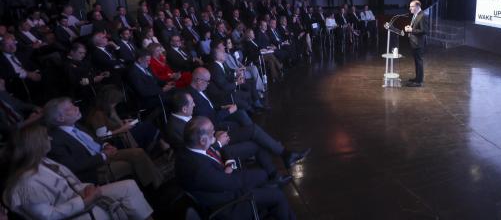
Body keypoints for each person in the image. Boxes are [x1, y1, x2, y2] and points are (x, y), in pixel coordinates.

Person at [3, 124, 153, 220]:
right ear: (36, 144)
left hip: (80, 195)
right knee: (103, 211)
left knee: (128, 186)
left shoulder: (45, 161)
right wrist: (84, 201)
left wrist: (87, 188)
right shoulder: (26, 183)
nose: (50, 138)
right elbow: (48, 216)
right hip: (75, 208)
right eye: (45, 137)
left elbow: (72, 182)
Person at [175, 117, 296, 219]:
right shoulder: (199, 169)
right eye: (212, 132)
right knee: (277, 195)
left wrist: (228, 164)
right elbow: (232, 183)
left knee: (263, 178)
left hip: (220, 187)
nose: (214, 134)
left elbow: (215, 152)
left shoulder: (189, 148)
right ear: (202, 140)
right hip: (228, 205)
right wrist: (230, 167)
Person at [44, 97, 164, 188]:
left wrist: (106, 145)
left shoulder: (77, 125)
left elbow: (95, 139)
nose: (77, 108)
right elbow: (74, 166)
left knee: (139, 153)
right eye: (70, 109)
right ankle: (153, 186)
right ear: (60, 118)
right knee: (135, 161)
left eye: (74, 105)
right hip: (94, 168)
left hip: (104, 154)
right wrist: (104, 155)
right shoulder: (56, 140)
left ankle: (156, 184)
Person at [404, 0, 428, 87]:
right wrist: (410, 27)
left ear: (417, 6)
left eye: (412, 6)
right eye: (410, 6)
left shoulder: (423, 16)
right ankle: (417, 78)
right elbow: (416, 27)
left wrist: (411, 30)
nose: (410, 8)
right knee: (417, 61)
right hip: (414, 42)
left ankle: (419, 82)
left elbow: (424, 30)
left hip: (419, 43)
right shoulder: (415, 15)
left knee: (419, 62)